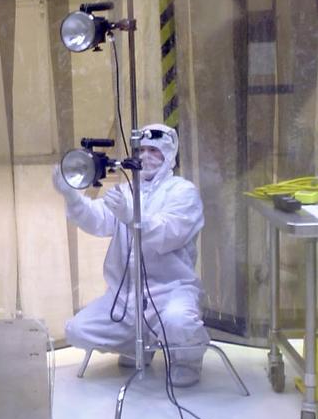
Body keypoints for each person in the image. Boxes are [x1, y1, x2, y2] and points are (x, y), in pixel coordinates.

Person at [52, 122, 207, 386]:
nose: (146, 156)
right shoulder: (126, 190)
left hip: (170, 290)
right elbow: (98, 220)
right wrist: (73, 198)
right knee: (77, 331)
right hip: (125, 296)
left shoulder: (183, 192)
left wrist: (132, 216)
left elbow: (169, 234)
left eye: (154, 151)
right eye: (141, 150)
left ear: (169, 155)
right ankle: (137, 347)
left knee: (178, 322)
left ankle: (187, 359)